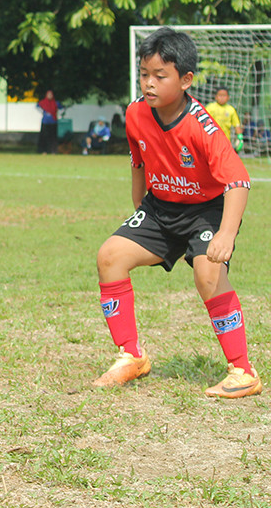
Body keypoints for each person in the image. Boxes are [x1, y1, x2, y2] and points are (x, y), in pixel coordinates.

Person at [93, 26, 260, 398]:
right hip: (160, 208)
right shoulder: (136, 112)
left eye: (160, 76)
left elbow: (239, 182)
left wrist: (226, 236)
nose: (149, 84)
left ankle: (243, 371)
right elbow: (138, 160)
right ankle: (131, 356)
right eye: (144, 74)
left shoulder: (203, 126)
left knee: (208, 274)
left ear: (186, 80)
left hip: (207, 212)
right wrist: (139, 208)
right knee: (110, 256)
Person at [36, 90, 61, 155]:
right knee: (44, 137)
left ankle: (53, 151)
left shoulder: (55, 103)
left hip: (53, 122)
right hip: (45, 122)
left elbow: (61, 108)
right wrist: (43, 112)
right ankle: (44, 151)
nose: (50, 96)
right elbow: (37, 107)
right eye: (48, 94)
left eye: (51, 94)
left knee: (53, 137)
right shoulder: (43, 102)